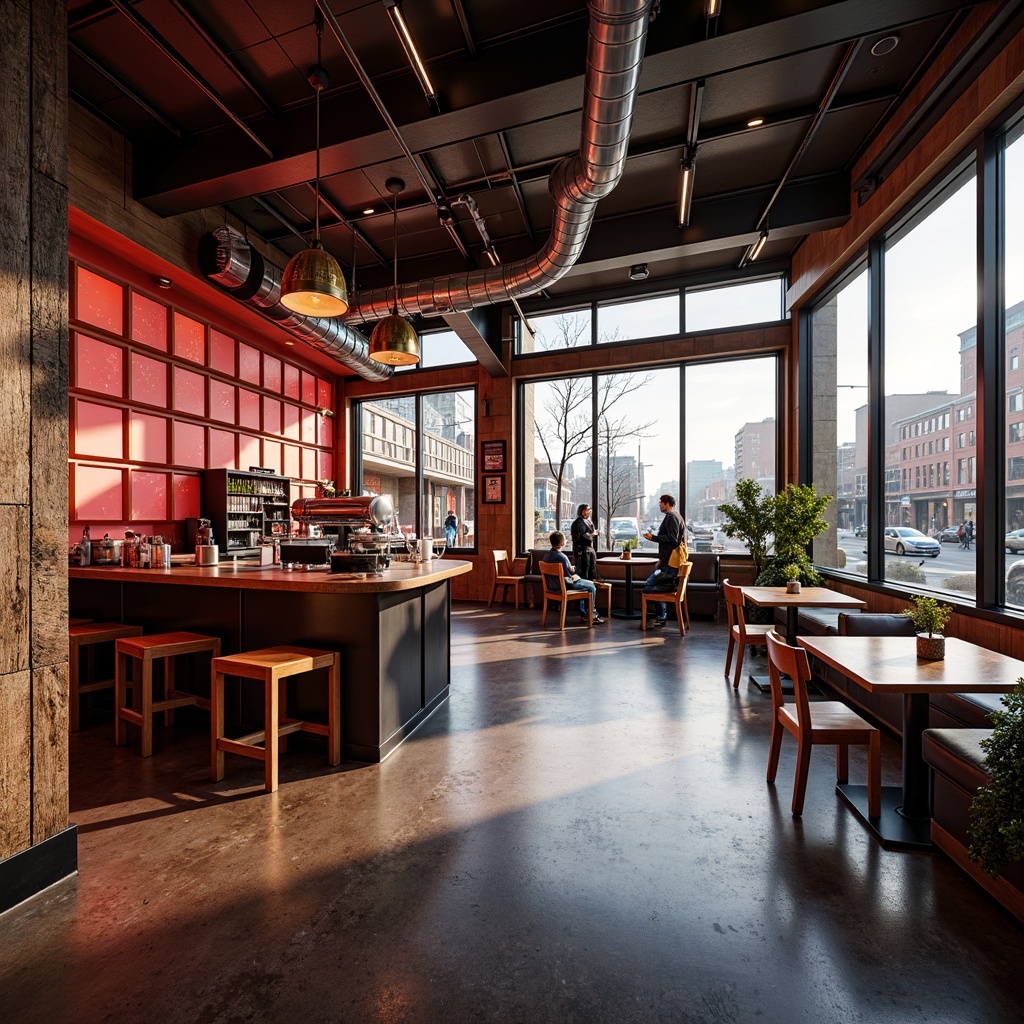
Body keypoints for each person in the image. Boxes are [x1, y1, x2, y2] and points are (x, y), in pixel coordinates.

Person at [641, 494, 685, 629]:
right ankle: (661, 616)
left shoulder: (671, 517)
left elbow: (672, 539)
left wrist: (653, 538)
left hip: (670, 564)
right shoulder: (676, 516)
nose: (659, 505)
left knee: (648, 585)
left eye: (661, 503)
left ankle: (671, 589)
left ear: (667, 504)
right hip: (669, 562)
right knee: (651, 584)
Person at [543, 531, 603, 624]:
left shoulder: (546, 555)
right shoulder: (562, 557)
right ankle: (591, 615)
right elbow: (568, 576)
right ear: (562, 543)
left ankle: (584, 615)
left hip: (552, 586)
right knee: (591, 587)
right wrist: (573, 569)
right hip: (563, 586)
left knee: (585, 585)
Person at [570, 503, 598, 581]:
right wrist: (594, 533)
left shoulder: (586, 522)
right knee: (585, 573)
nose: (590, 511)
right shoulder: (579, 523)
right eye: (588, 510)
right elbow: (584, 536)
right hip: (583, 552)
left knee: (591, 571)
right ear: (583, 512)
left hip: (588, 551)